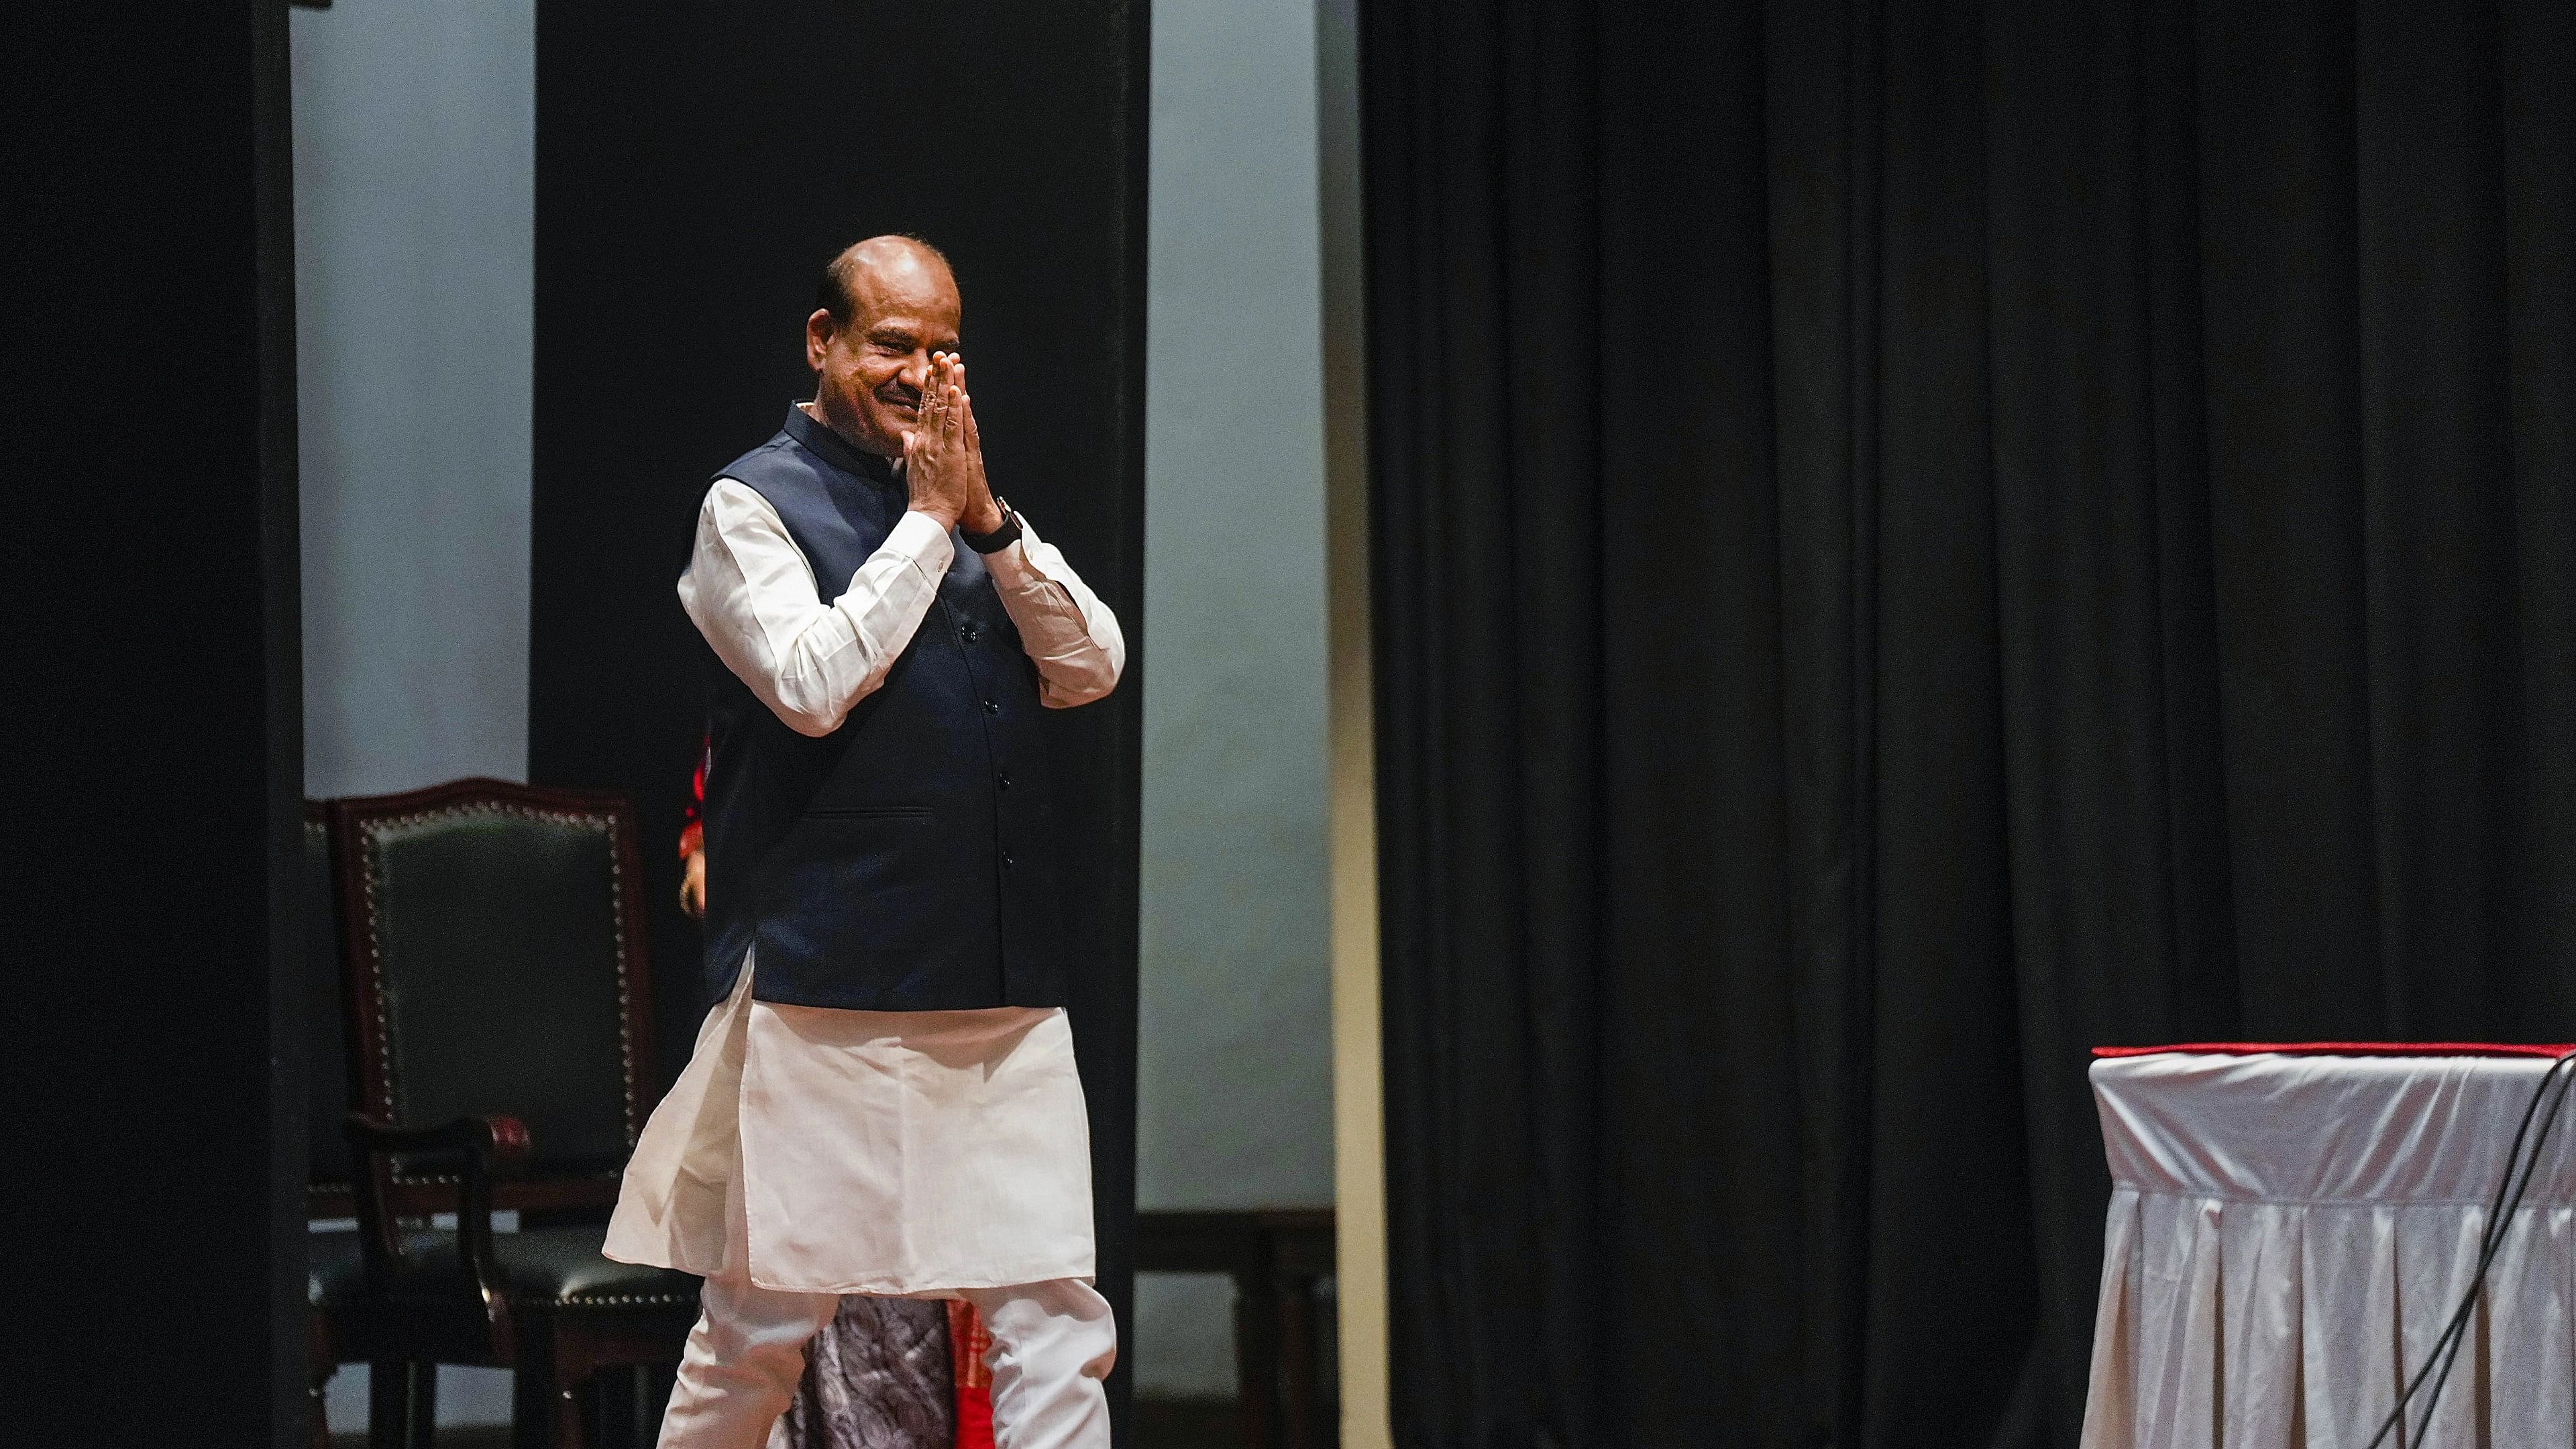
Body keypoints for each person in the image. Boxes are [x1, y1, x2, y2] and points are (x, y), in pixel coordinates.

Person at [607, 235, 1125, 1449]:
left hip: (994, 986)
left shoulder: (966, 505)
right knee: (759, 1329)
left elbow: (1091, 666)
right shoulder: (749, 503)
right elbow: (809, 680)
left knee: (1054, 1314)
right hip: (828, 982)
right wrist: (929, 525)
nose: (921, 371)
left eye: (944, 348)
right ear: (823, 342)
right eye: (893, 342)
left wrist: (985, 521)